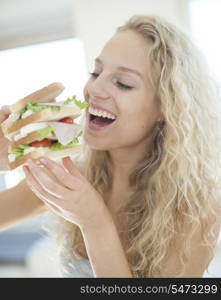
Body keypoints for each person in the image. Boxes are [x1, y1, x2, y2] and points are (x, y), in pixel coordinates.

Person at [0, 15, 221, 278]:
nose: (94, 89)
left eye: (123, 83)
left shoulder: (197, 206)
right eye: (96, 72)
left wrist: (94, 221)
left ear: (167, 107)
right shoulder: (70, 177)